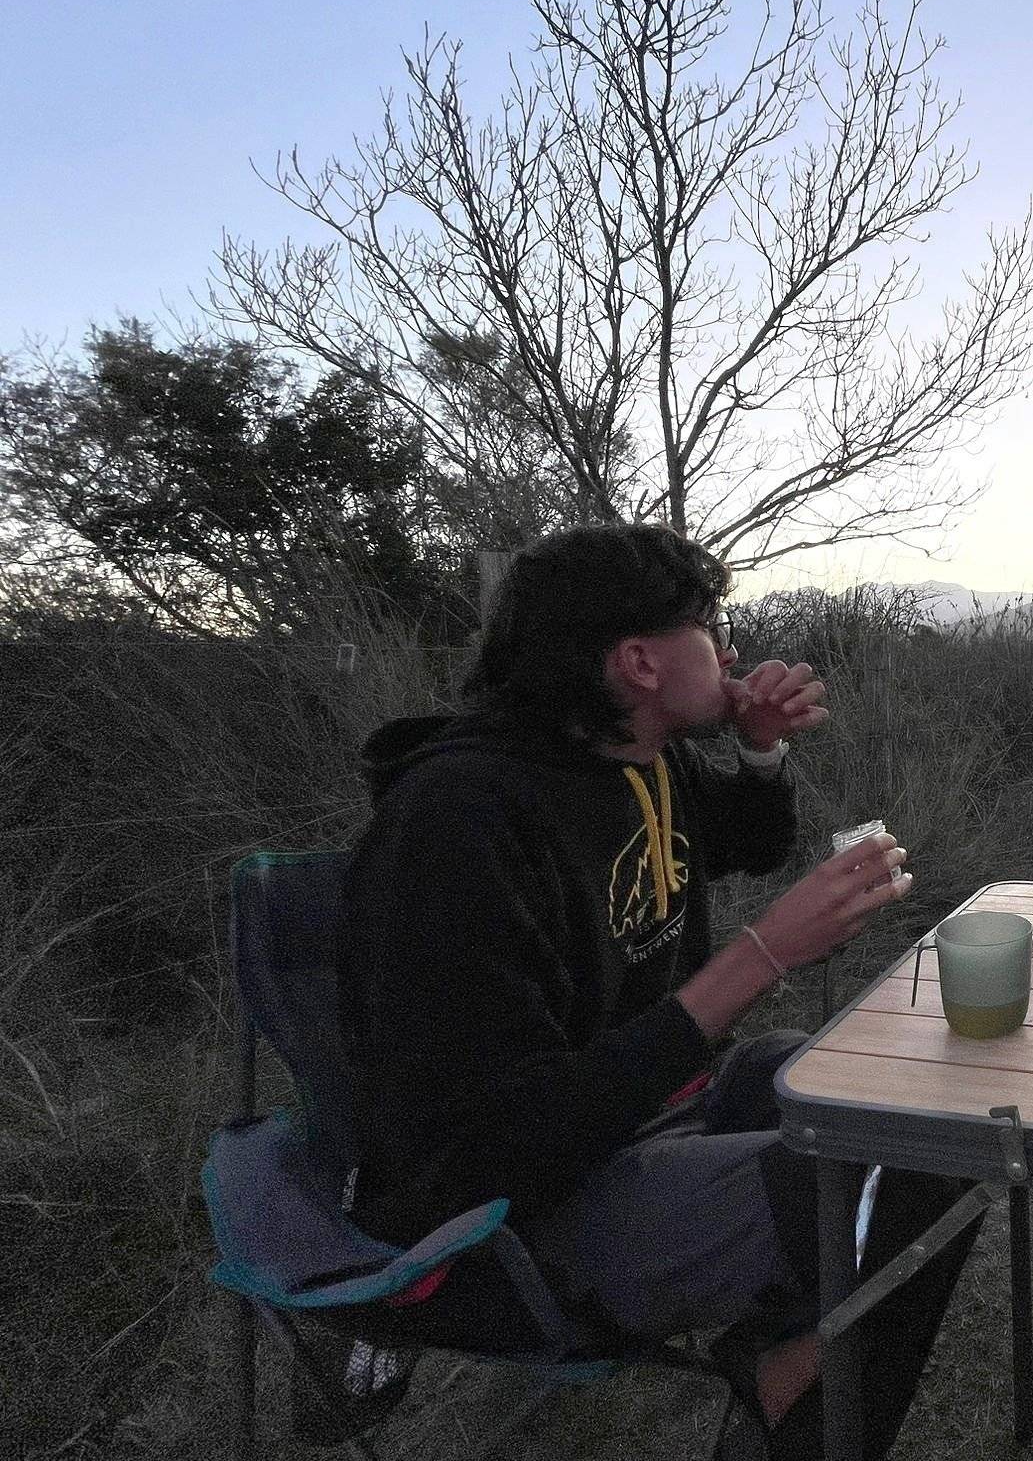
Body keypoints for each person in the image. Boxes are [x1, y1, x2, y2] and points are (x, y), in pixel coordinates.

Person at [336, 522, 976, 1457]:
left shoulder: (638, 758)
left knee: (921, 1101)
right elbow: (500, 1138)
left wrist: (759, 750)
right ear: (639, 661)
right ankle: (791, 1396)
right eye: (711, 628)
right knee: (906, 1166)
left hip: (654, 1110)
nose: (730, 651)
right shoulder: (459, 826)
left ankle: (785, 1356)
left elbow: (750, 842)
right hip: (513, 1218)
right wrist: (761, 953)